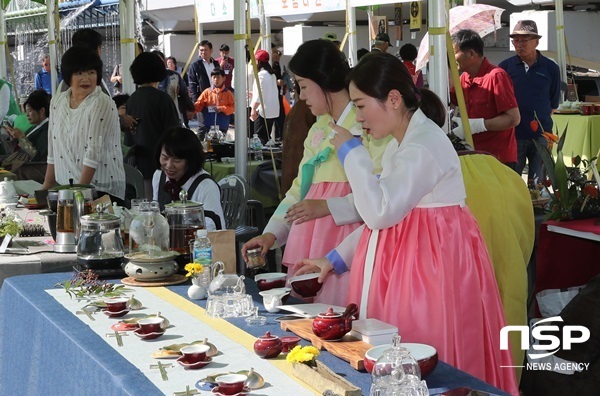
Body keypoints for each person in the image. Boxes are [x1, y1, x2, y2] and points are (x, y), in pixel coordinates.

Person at [294, 52, 518, 395]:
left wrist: (352, 154)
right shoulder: (406, 142)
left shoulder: (422, 146)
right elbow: (378, 218)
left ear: (394, 100)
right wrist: (332, 260)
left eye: (361, 105)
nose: (358, 116)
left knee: (424, 357)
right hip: (412, 270)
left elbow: (380, 212)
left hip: (428, 274)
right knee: (403, 360)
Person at [241, 40, 390, 307]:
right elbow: (299, 190)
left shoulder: (368, 127)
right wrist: (271, 234)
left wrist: (327, 207)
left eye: (304, 86)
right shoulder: (318, 129)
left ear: (323, 81)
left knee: (343, 311)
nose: (300, 95)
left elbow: (382, 197)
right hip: (311, 240)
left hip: (350, 239)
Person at [41, 46, 125, 202]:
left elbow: (94, 152)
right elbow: (53, 146)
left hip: (101, 191)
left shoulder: (101, 102)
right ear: (68, 76)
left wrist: (79, 195)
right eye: (79, 73)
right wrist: (47, 184)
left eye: (91, 72)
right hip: (67, 188)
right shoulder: (57, 101)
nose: (86, 78)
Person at [499, 20, 561, 181]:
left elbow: (553, 103)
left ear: (536, 42)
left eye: (524, 40)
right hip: (514, 133)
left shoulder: (550, 68)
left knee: (540, 183)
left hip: (541, 134)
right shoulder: (504, 68)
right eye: (516, 40)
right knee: (512, 181)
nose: (519, 44)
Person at [450, 29, 520, 169]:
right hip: (472, 156)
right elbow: (449, 106)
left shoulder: (496, 76)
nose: (452, 57)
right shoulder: (463, 79)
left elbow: (513, 119)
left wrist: (477, 125)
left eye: (455, 53)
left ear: (471, 53)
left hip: (498, 159)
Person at [125, 52, 181, 198]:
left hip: (137, 168)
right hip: (161, 168)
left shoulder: (132, 99)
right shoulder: (162, 99)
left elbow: (129, 139)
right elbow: (175, 136)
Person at [152, 127, 225, 230]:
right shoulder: (159, 176)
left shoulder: (206, 187)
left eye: (177, 160)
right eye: (165, 157)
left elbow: (214, 228)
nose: (168, 165)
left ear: (191, 160)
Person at [2, 89, 50, 182]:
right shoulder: (33, 128)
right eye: (26, 111)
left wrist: (21, 138)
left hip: (30, 169)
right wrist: (15, 138)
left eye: (30, 111)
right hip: (22, 165)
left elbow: (37, 156)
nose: (27, 115)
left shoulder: (47, 130)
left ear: (42, 111)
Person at [153, 50, 195, 127]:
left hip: (173, 116)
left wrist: (190, 108)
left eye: (160, 60)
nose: (157, 63)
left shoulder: (174, 76)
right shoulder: (147, 79)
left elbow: (183, 93)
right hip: (154, 118)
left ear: (164, 61)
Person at [249, 49, 280, 144]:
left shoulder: (261, 75)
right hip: (273, 110)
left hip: (262, 111)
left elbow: (260, 94)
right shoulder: (272, 75)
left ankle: (260, 156)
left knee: (259, 137)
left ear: (258, 61)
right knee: (266, 135)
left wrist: (253, 109)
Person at [188, 40, 220, 127]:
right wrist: (196, 101)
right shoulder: (195, 65)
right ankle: (201, 140)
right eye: (201, 50)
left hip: (217, 98)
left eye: (205, 50)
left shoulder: (216, 63)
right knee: (203, 125)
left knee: (216, 124)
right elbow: (192, 84)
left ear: (211, 50)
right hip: (202, 99)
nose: (203, 52)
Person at [193, 69, 234, 134]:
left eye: (218, 77)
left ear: (224, 78)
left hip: (222, 125)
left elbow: (232, 108)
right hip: (208, 125)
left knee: (220, 143)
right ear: (211, 78)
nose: (216, 79)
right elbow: (199, 104)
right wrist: (191, 111)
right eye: (214, 77)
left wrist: (222, 108)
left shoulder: (228, 93)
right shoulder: (207, 92)